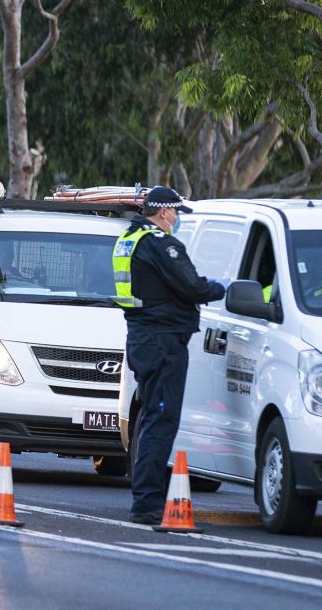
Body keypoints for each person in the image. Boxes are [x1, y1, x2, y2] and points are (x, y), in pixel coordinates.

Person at [113, 187, 227, 525]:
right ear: (163, 212)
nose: (176, 219)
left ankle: (147, 496)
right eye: (175, 213)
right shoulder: (161, 244)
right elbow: (194, 287)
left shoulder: (128, 240)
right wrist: (224, 287)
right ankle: (148, 502)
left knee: (151, 417)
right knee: (161, 420)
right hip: (163, 341)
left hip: (143, 338)